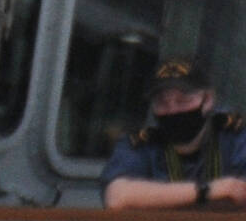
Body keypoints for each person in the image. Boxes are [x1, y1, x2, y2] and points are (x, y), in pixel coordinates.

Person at [102, 59, 246, 210]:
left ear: (208, 100)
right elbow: (117, 198)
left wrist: (158, 198)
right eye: (162, 103)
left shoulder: (236, 137)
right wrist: (208, 191)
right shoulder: (140, 144)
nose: (173, 110)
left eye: (183, 101)